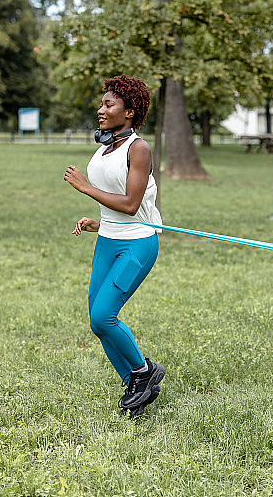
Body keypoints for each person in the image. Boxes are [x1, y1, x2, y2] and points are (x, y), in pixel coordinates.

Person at [64, 74, 165, 417]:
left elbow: (130, 204)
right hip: (108, 239)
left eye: (109, 104)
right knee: (96, 320)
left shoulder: (139, 148)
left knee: (106, 316)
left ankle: (143, 372)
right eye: (102, 103)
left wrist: (84, 187)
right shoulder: (107, 146)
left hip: (136, 244)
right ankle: (135, 382)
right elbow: (114, 207)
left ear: (131, 111)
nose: (101, 109)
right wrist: (98, 222)